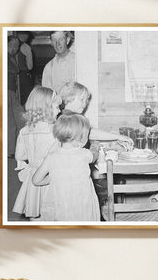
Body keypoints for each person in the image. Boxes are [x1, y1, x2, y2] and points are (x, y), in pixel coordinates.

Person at [32, 113, 100, 221]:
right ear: (81, 138)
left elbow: (36, 180)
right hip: (82, 204)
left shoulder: (51, 157)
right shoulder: (84, 154)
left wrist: (54, 177)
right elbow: (94, 156)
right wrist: (95, 146)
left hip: (60, 203)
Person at [12, 86, 61, 219]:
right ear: (47, 109)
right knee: (52, 212)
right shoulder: (55, 131)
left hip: (33, 176)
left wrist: (33, 162)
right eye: (57, 107)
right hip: (49, 178)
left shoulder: (24, 131)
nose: (60, 110)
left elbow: (20, 156)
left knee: (35, 211)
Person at [59, 81, 133, 145]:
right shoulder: (69, 117)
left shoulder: (69, 115)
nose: (84, 104)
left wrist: (116, 136)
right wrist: (118, 137)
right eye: (82, 100)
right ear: (69, 97)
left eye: (86, 101)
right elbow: (90, 133)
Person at [7, 35, 25, 157]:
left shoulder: (11, 57)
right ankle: (11, 151)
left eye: (17, 46)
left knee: (21, 119)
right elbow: (16, 69)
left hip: (12, 91)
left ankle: (18, 149)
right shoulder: (4, 56)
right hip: (6, 90)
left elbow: (16, 70)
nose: (15, 48)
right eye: (12, 45)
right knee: (11, 122)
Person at [17, 31, 34, 106]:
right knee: (26, 100)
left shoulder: (9, 44)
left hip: (13, 76)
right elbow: (30, 66)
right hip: (23, 76)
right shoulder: (26, 47)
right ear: (26, 35)